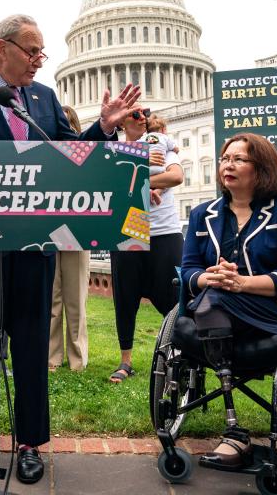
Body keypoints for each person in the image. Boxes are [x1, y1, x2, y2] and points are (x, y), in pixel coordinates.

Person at [0, 14, 140, 485]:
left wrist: (102, 130)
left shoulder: (43, 99)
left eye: (42, 53)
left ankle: (29, 444)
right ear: (2, 48)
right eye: (33, 51)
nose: (40, 62)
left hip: (33, 248)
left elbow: (68, 158)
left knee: (28, 347)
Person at [180, 132, 277, 466]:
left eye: (238, 159)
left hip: (271, 312)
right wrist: (206, 277)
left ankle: (235, 435)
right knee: (212, 297)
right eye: (225, 158)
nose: (228, 164)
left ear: (262, 167)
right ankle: (233, 427)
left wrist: (242, 283)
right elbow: (188, 269)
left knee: (215, 299)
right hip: (218, 313)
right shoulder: (202, 215)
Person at [108, 110, 184, 382]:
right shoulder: (115, 149)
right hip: (130, 227)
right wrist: (143, 178)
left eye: (145, 113)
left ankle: (179, 354)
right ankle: (125, 361)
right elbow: (108, 182)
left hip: (165, 230)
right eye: (135, 113)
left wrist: (137, 181)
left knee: (174, 297)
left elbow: (175, 176)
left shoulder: (162, 144)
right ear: (121, 120)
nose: (142, 116)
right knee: (125, 297)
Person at [48, 105, 91, 372]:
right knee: (51, 300)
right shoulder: (44, 156)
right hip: (48, 233)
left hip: (78, 233)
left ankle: (77, 360)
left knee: (76, 300)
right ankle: (51, 359)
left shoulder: (85, 158)